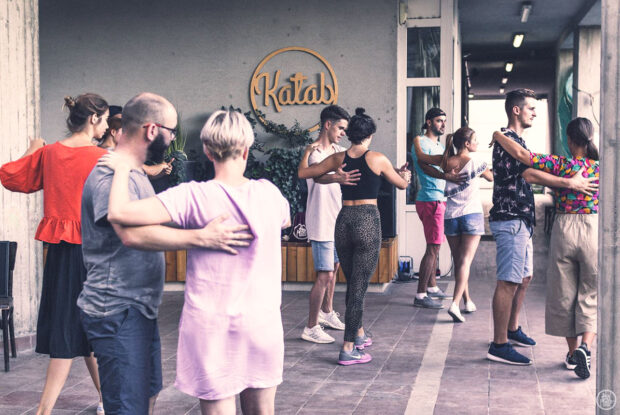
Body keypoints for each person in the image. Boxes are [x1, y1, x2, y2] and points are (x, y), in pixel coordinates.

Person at [98, 108, 289, 414]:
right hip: (261, 325)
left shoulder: (192, 196)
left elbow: (119, 213)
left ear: (207, 150)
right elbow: (283, 221)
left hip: (211, 329)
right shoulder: (271, 195)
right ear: (245, 150)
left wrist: (122, 168)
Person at [0, 94, 109, 415]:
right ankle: (45, 410)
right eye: (104, 119)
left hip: (60, 252)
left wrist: (33, 150)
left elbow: (10, 176)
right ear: (93, 118)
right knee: (80, 328)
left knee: (75, 326)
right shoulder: (103, 158)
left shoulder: (49, 154)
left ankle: (104, 400)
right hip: (94, 253)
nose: (106, 127)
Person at [486, 89, 598, 366]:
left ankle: (520, 332)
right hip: (514, 217)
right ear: (516, 110)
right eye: (531, 108)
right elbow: (527, 168)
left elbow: (530, 163)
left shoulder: (559, 162)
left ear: (570, 140)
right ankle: (499, 344)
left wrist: (566, 182)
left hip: (537, 221)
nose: (535, 113)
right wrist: (570, 183)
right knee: (510, 281)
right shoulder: (600, 167)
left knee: (532, 281)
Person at [299, 108, 411, 365]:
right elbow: (402, 184)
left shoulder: (338, 157)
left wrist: (334, 177)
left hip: (343, 221)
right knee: (359, 288)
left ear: (350, 134)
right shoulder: (378, 158)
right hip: (367, 221)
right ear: (369, 135)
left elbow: (305, 174)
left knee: (353, 283)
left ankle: (358, 334)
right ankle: (348, 348)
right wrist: (406, 175)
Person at [301, 105, 355, 344]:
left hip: (336, 220)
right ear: (327, 125)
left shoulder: (339, 151)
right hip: (321, 221)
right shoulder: (314, 153)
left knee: (333, 270)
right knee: (324, 276)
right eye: (340, 128)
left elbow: (362, 163)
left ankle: (327, 312)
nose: (343, 133)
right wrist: (337, 177)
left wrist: (393, 171)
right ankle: (311, 327)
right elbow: (317, 175)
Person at [438, 127, 493, 322]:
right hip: (471, 215)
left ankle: (467, 301)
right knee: (465, 262)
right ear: (467, 144)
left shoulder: (447, 162)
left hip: (451, 217)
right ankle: (454, 304)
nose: (477, 143)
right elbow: (491, 177)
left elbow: (425, 163)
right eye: (475, 140)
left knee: (460, 261)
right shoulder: (477, 161)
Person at [411, 108, 463, 309]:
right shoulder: (421, 143)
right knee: (432, 248)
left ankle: (432, 287)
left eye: (444, 121)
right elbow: (425, 166)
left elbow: (446, 166)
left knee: (436, 246)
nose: (443, 124)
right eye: (439, 120)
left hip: (439, 199)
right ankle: (420, 294)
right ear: (429, 122)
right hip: (430, 200)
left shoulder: (439, 145)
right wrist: (445, 175)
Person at [97, 104, 174, 179]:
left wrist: (162, 171)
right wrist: (162, 166)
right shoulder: (112, 153)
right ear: (113, 132)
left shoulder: (109, 150)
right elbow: (147, 171)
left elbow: (143, 174)